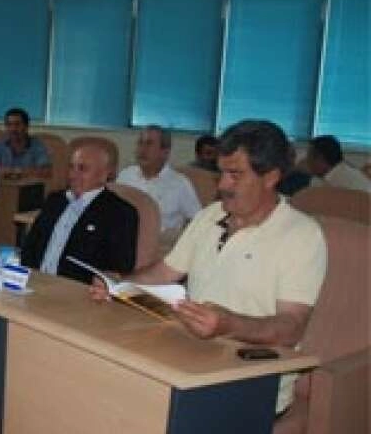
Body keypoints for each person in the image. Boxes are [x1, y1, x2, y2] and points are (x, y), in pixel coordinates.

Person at [91, 119, 327, 414]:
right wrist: (119, 285)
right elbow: (165, 272)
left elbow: (291, 327)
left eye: (235, 175)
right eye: (221, 173)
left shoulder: (301, 235)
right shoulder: (210, 216)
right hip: (190, 357)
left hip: (252, 380)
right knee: (105, 379)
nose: (223, 185)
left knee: (134, 409)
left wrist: (229, 324)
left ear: (271, 177)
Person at [21, 145, 137, 283]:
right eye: (71, 167)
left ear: (104, 174)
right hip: (35, 282)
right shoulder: (55, 200)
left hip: (77, 290)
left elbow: (120, 268)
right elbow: (29, 247)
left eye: (82, 169)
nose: (72, 175)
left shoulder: (120, 213)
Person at [116, 125, 201, 237]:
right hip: (125, 238)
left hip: (161, 242)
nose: (142, 149)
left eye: (149, 144)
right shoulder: (126, 175)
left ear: (165, 152)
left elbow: (198, 219)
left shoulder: (180, 183)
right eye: (140, 143)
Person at [0, 107, 51, 179]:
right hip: (5, 185)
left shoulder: (37, 146)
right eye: (9, 124)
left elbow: (46, 171)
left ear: (26, 126)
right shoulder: (0, 145)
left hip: (29, 185)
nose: (13, 129)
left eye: (17, 124)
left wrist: (16, 172)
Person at [306, 135, 371, 192]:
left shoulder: (344, 181)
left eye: (309, 156)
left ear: (320, 158)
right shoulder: (320, 177)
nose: (306, 160)